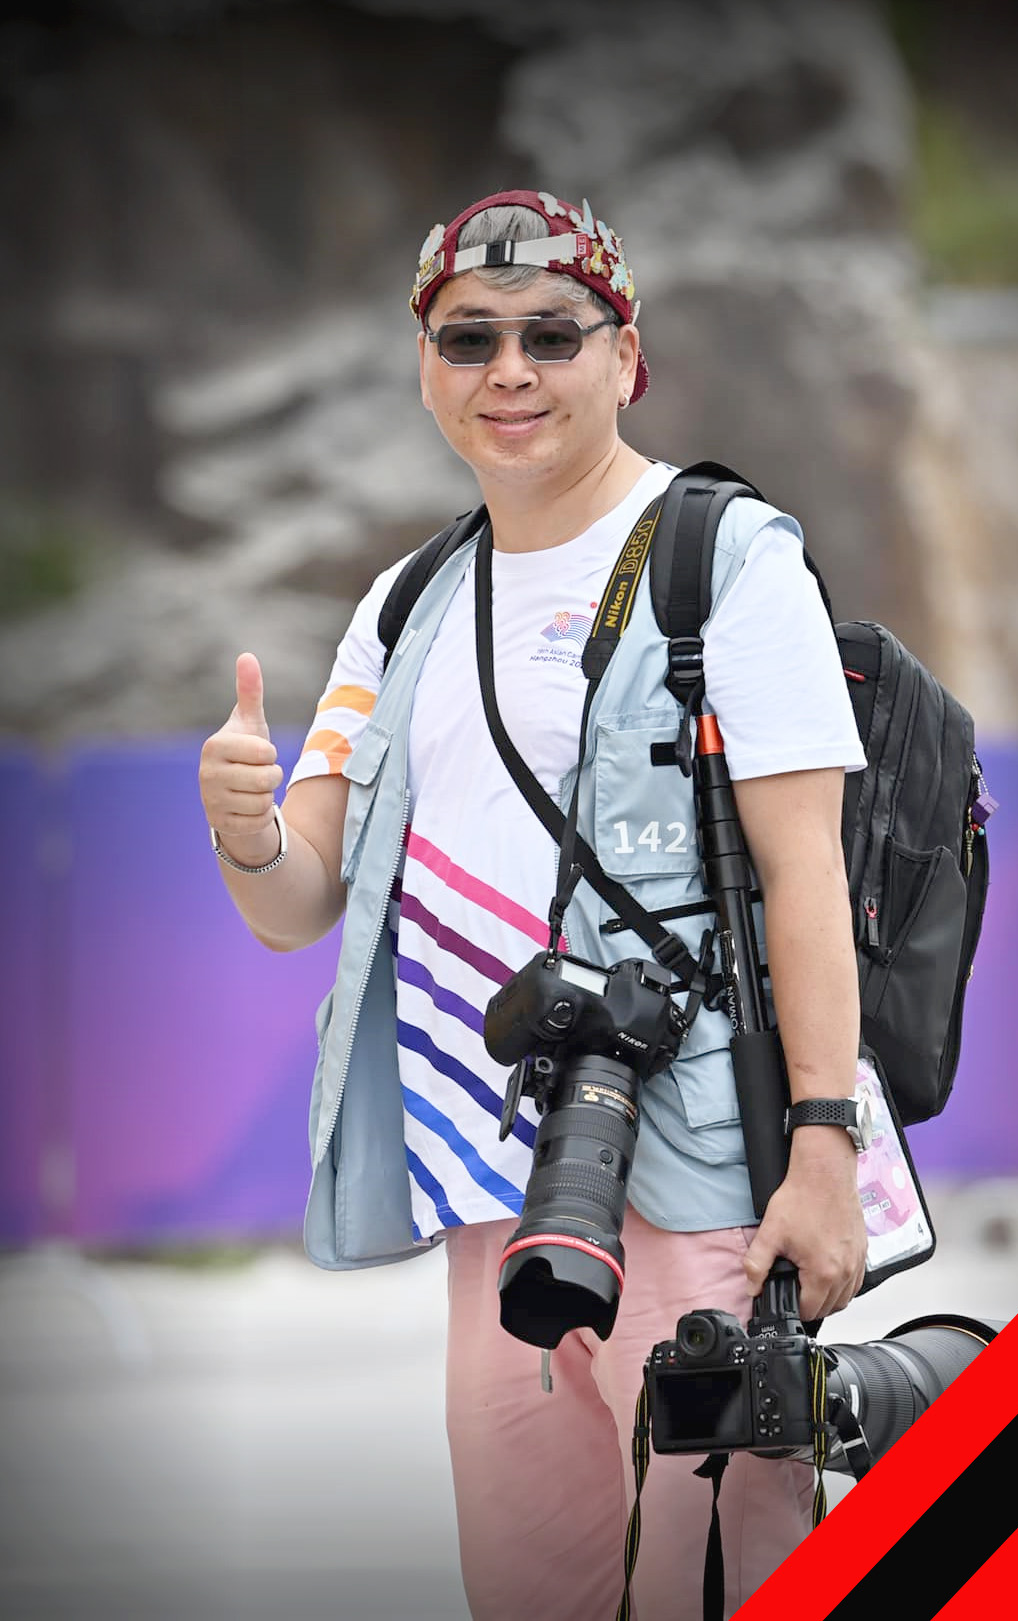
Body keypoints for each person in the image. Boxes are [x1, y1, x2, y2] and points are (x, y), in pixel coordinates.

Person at [198, 188, 870, 1620]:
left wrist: (825, 1151)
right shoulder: (407, 603)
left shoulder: (725, 558)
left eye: (552, 335)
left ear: (626, 356)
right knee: (531, 1592)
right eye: (469, 337)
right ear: (424, 367)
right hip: (495, 1197)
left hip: (694, 1177)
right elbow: (299, 901)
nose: (509, 369)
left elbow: (805, 870)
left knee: (726, 1574)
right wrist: (245, 832)